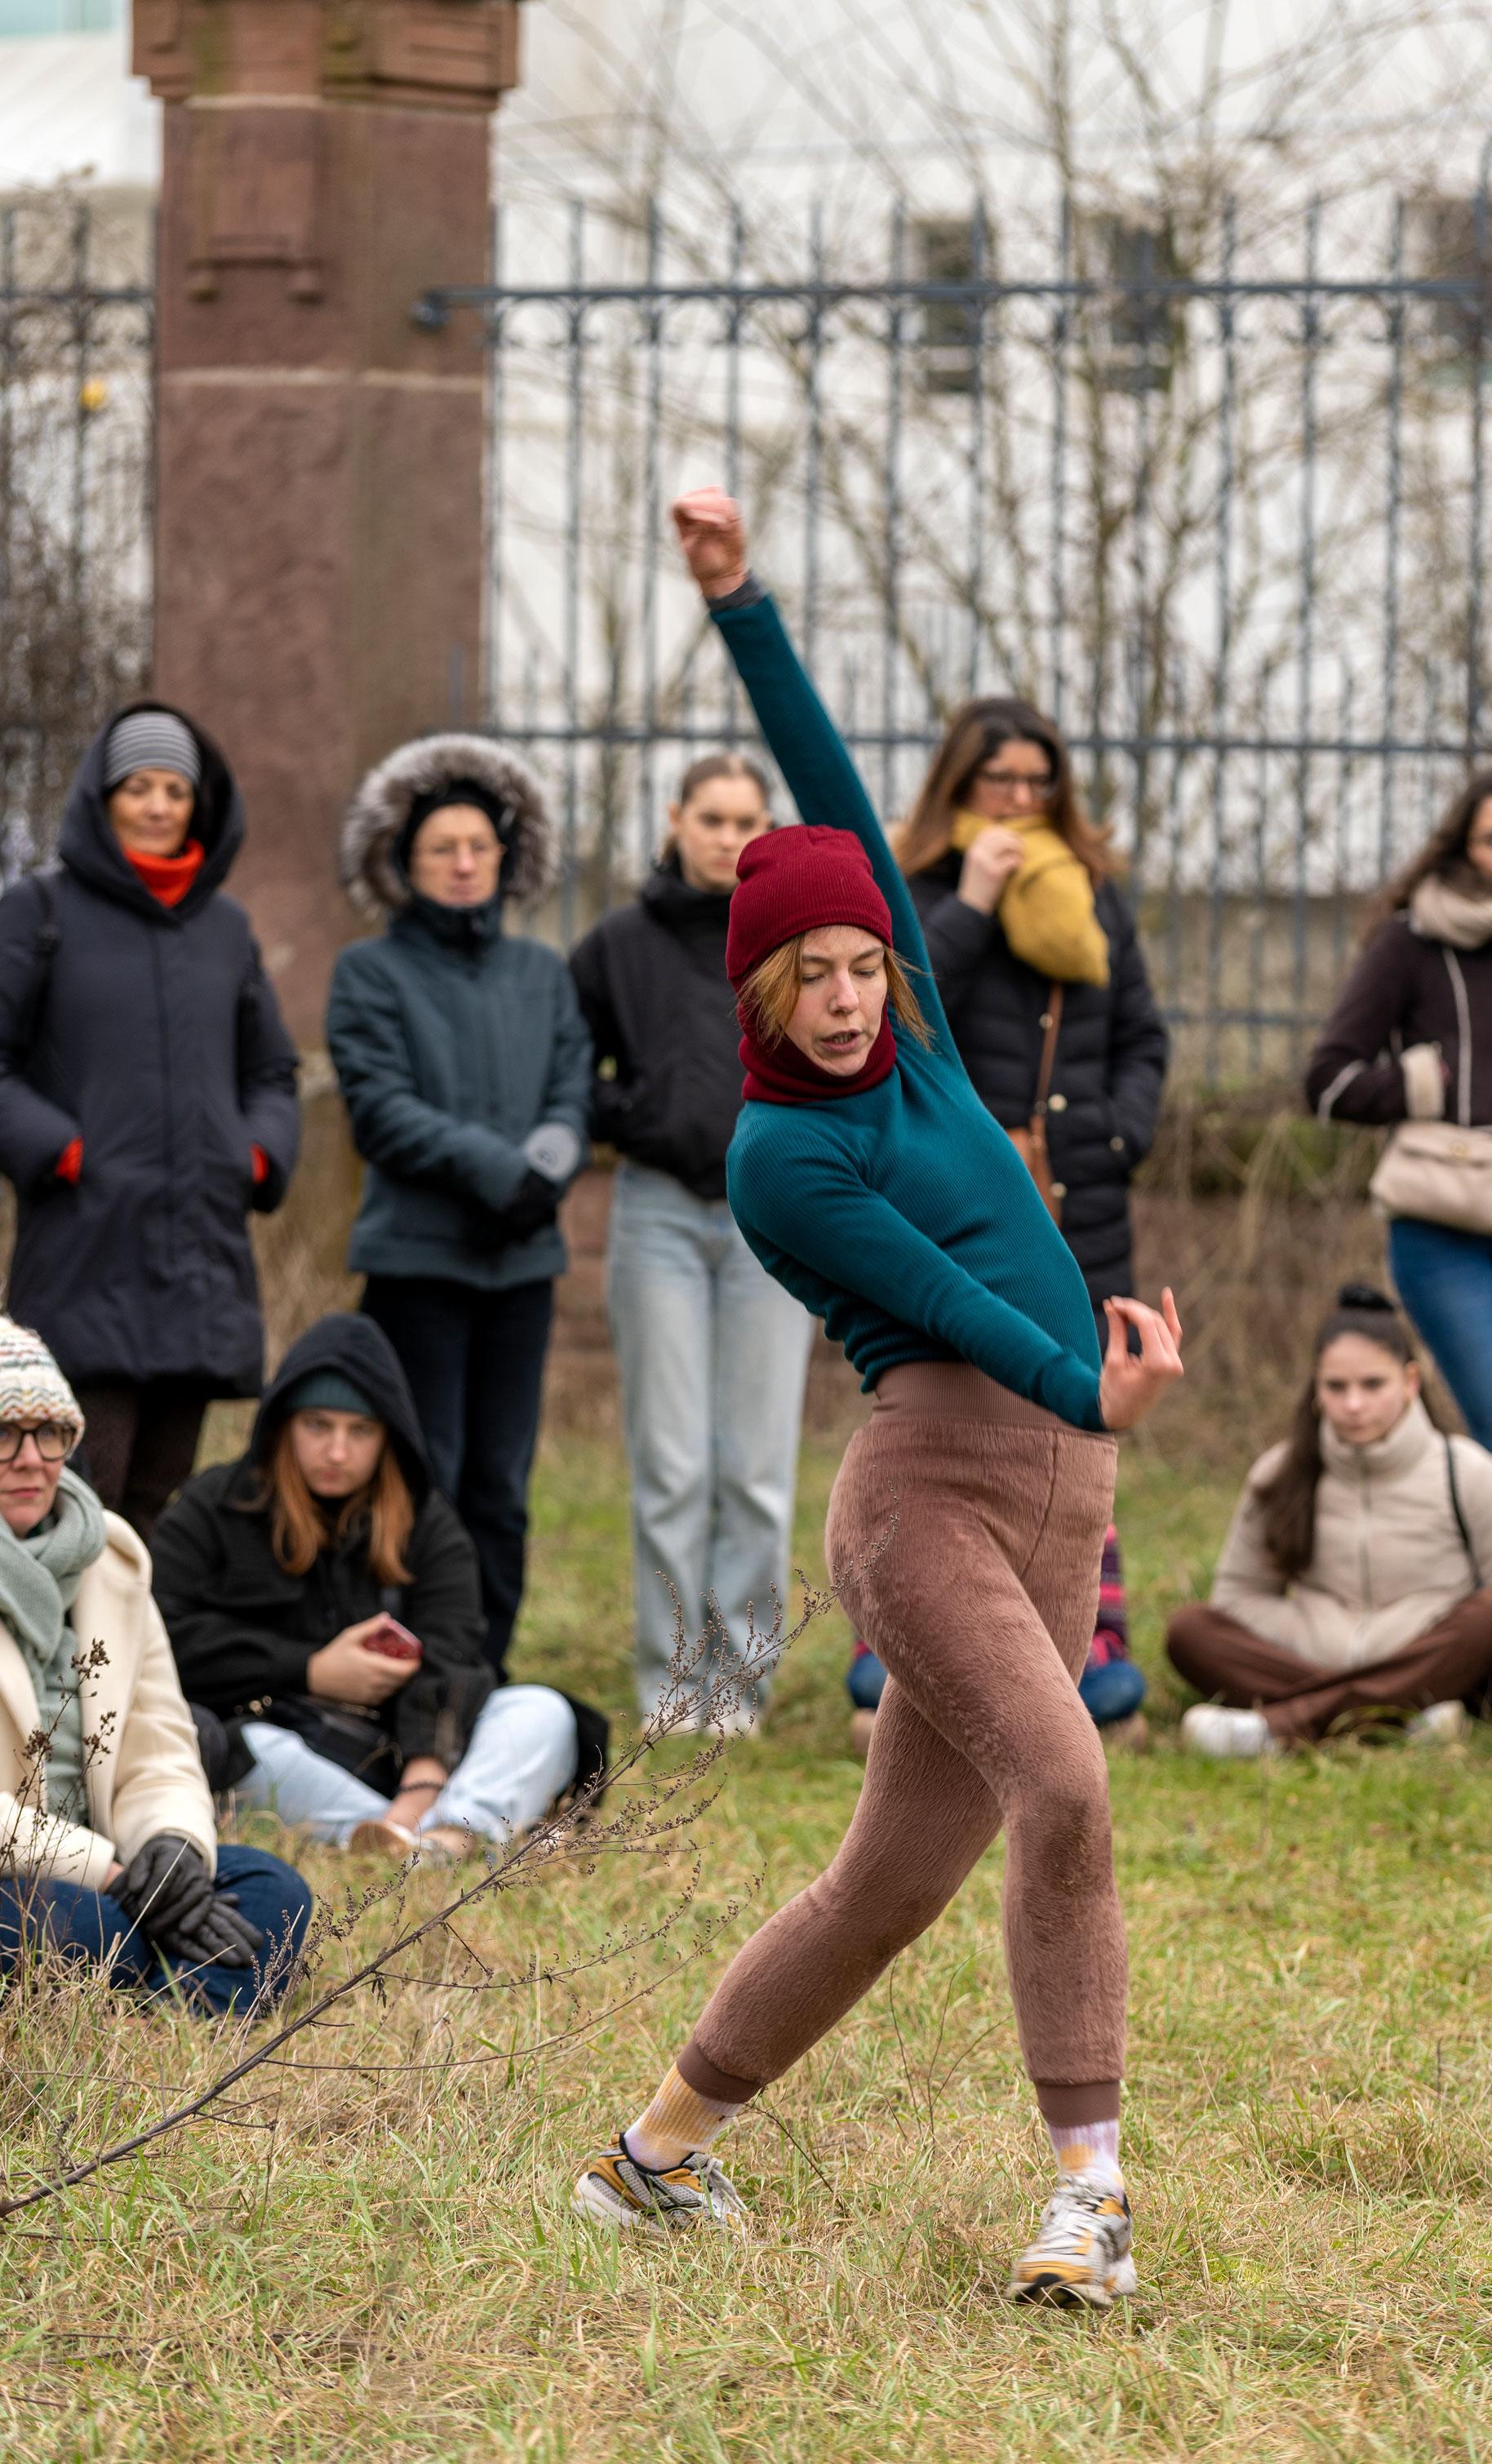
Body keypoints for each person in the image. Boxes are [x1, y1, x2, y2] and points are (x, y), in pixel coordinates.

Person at [568, 488, 1185, 2313]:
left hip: (1057, 1492)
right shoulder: (779, 1154)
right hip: (925, 1492)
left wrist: (739, 596)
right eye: (805, 975)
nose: (841, 998)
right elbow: (958, 1304)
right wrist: (1101, 1384)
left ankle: (648, 2159)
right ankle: (1092, 2195)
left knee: (883, 1886)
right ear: (758, 985)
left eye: (859, 965)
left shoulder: (915, 1009)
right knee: (1066, 1784)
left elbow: (820, 769)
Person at [0, 704, 300, 1541]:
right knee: (76, 1504)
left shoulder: (226, 929)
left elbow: (273, 1070)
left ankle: (130, 1675)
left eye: (176, 789)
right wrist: (57, 1151)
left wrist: (255, 1155)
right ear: (104, 796)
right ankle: (60, 1675)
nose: (160, 805)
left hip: (199, 1262)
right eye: (139, 786)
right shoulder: (38, 911)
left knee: (157, 1511)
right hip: (84, 1256)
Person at [327, 739, 594, 1670]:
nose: (464, 861)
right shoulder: (368, 974)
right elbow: (382, 1108)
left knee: (501, 1484)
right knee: (421, 1472)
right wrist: (498, 1172)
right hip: (418, 1263)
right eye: (443, 846)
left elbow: (573, 1091)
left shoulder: (542, 973)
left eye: (480, 844)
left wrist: (542, 1174)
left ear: (507, 856)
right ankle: (418, 1662)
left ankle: (489, 1665)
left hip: (521, 1266)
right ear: (405, 860)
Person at [151, 1316, 605, 1858]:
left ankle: (438, 1835)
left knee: (541, 1711)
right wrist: (309, 1667)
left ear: (388, 1434)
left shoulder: (425, 1519)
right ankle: (426, 1839)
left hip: (413, 1763)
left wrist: (422, 1779)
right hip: (291, 1755)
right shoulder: (214, 1505)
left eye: (359, 1430)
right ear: (284, 1424)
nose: (337, 1451)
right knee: (239, 1750)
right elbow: (163, 1634)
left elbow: (455, 1648)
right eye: (318, 1425)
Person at [569, 755, 814, 1734]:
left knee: (754, 1465)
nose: (728, 836)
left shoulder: (792, 941)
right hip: (658, 1214)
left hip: (775, 1219)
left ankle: (739, 1688)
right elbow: (567, 1065)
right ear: (675, 819)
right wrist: (641, 1113)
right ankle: (674, 1684)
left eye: (748, 818)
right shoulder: (616, 945)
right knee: (671, 1463)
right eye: (711, 817)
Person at [0, 1316, 310, 2015]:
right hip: (40, 1875)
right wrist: (109, 1876)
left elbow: (161, 1743)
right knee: (87, 1925)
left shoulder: (113, 1557)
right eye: (4, 1435)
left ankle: (145, 2000)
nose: (31, 1458)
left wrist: (170, 1853)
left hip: (117, 1869)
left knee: (274, 1892)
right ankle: (169, 1986)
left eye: (50, 1432)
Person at [1305, 767, 1492, 1543]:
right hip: (1439, 1220)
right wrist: (1423, 1083)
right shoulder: (1412, 940)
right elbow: (1327, 1081)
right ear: (1461, 846)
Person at [1167, 1285, 1492, 1756]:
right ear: (1316, 1388)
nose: (1353, 1404)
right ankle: (1397, 1717)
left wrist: (1415, 1643)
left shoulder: (1465, 1470)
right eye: (1336, 1387)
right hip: (1328, 1662)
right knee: (1190, 1631)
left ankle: (1273, 1730)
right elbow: (1236, 1598)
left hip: (1431, 1657)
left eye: (1373, 1385)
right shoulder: (1280, 1472)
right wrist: (1315, 1637)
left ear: (1410, 1382)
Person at [895, 701, 1168, 1325]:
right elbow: (901, 1021)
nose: (1021, 797)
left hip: (1081, 1190)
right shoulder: (915, 883)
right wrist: (972, 906)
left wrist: (1121, 1132)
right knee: (958, 1396)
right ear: (960, 781)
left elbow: (1141, 1034)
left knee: (1085, 1391)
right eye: (1000, 778)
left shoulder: (1088, 890)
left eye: (1038, 781)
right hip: (956, 1184)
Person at [847, 1521, 1148, 1756]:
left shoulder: (1094, 1528)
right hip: (941, 1667)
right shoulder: (917, 1512)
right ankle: (1054, 1739)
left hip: (1050, 1674)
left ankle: (937, 1740)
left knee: (1124, 1684)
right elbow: (874, 1631)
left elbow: (1111, 1639)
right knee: (870, 1679)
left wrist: (1046, 1662)